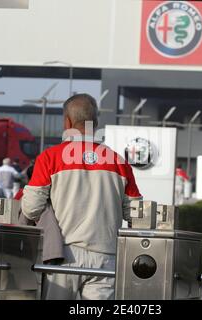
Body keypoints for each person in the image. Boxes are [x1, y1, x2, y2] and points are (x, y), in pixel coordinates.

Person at [22, 93, 141, 300]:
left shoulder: (50, 157)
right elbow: (136, 214)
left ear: (67, 121)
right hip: (106, 256)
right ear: (95, 123)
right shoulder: (118, 161)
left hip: (62, 254)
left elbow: (31, 208)